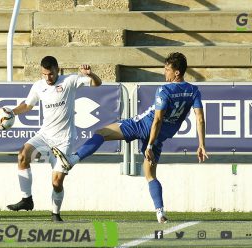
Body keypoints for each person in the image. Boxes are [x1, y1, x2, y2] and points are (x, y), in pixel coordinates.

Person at [52, 52, 208, 223]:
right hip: (158, 137)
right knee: (150, 175)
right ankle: (160, 212)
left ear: (177, 72)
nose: (165, 73)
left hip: (143, 126)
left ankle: (73, 160)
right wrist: (201, 144)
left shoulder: (165, 90)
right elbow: (199, 118)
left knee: (101, 133)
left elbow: (156, 119)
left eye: (167, 69)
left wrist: (147, 146)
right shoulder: (193, 91)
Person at [6, 56, 102, 221]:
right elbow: (27, 105)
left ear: (58, 70)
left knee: (57, 182)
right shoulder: (38, 86)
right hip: (44, 135)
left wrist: (90, 74)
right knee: (22, 155)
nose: (47, 78)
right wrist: (11, 113)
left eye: (50, 74)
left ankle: (55, 213)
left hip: (64, 140)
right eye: (44, 74)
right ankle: (26, 200)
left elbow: (97, 84)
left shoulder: (69, 81)